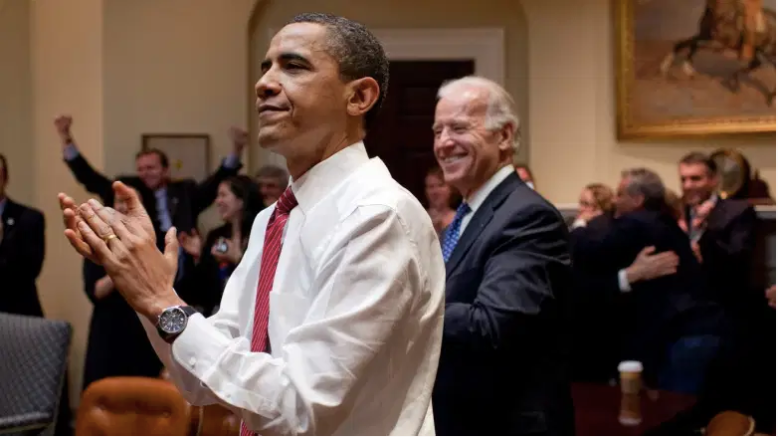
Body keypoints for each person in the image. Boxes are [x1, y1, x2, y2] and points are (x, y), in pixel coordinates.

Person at [58, 13, 445, 436]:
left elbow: (300, 409)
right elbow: (200, 380)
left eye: (293, 66)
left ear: (358, 97)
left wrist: (162, 301)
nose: (264, 84)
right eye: (265, 69)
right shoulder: (273, 219)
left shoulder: (378, 217)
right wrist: (143, 289)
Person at [429, 76, 574, 435]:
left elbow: (492, 325)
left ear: (505, 136)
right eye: (437, 131)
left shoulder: (526, 216)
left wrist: (408, 304)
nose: (444, 143)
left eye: (459, 128)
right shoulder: (468, 214)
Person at [82, 187, 162, 390]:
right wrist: (120, 264)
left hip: (144, 328)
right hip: (109, 329)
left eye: (131, 201)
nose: (124, 207)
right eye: (119, 201)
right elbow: (96, 291)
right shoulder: (98, 241)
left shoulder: (155, 240)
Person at [179, 175, 264, 316]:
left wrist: (237, 258)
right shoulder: (216, 235)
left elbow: (264, 278)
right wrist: (199, 256)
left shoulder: (262, 232)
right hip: (218, 312)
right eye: (217, 196)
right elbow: (197, 290)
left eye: (223, 195)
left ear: (241, 200)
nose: (218, 201)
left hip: (252, 312)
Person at [0, 153, 46, 317]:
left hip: (17, 315)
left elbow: (30, 271)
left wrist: (2, 243)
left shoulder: (29, 219)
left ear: (5, 178)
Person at [424, 166, 458, 235]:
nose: (435, 191)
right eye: (431, 186)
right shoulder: (419, 216)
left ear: (451, 189)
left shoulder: (458, 218)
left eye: (440, 185)